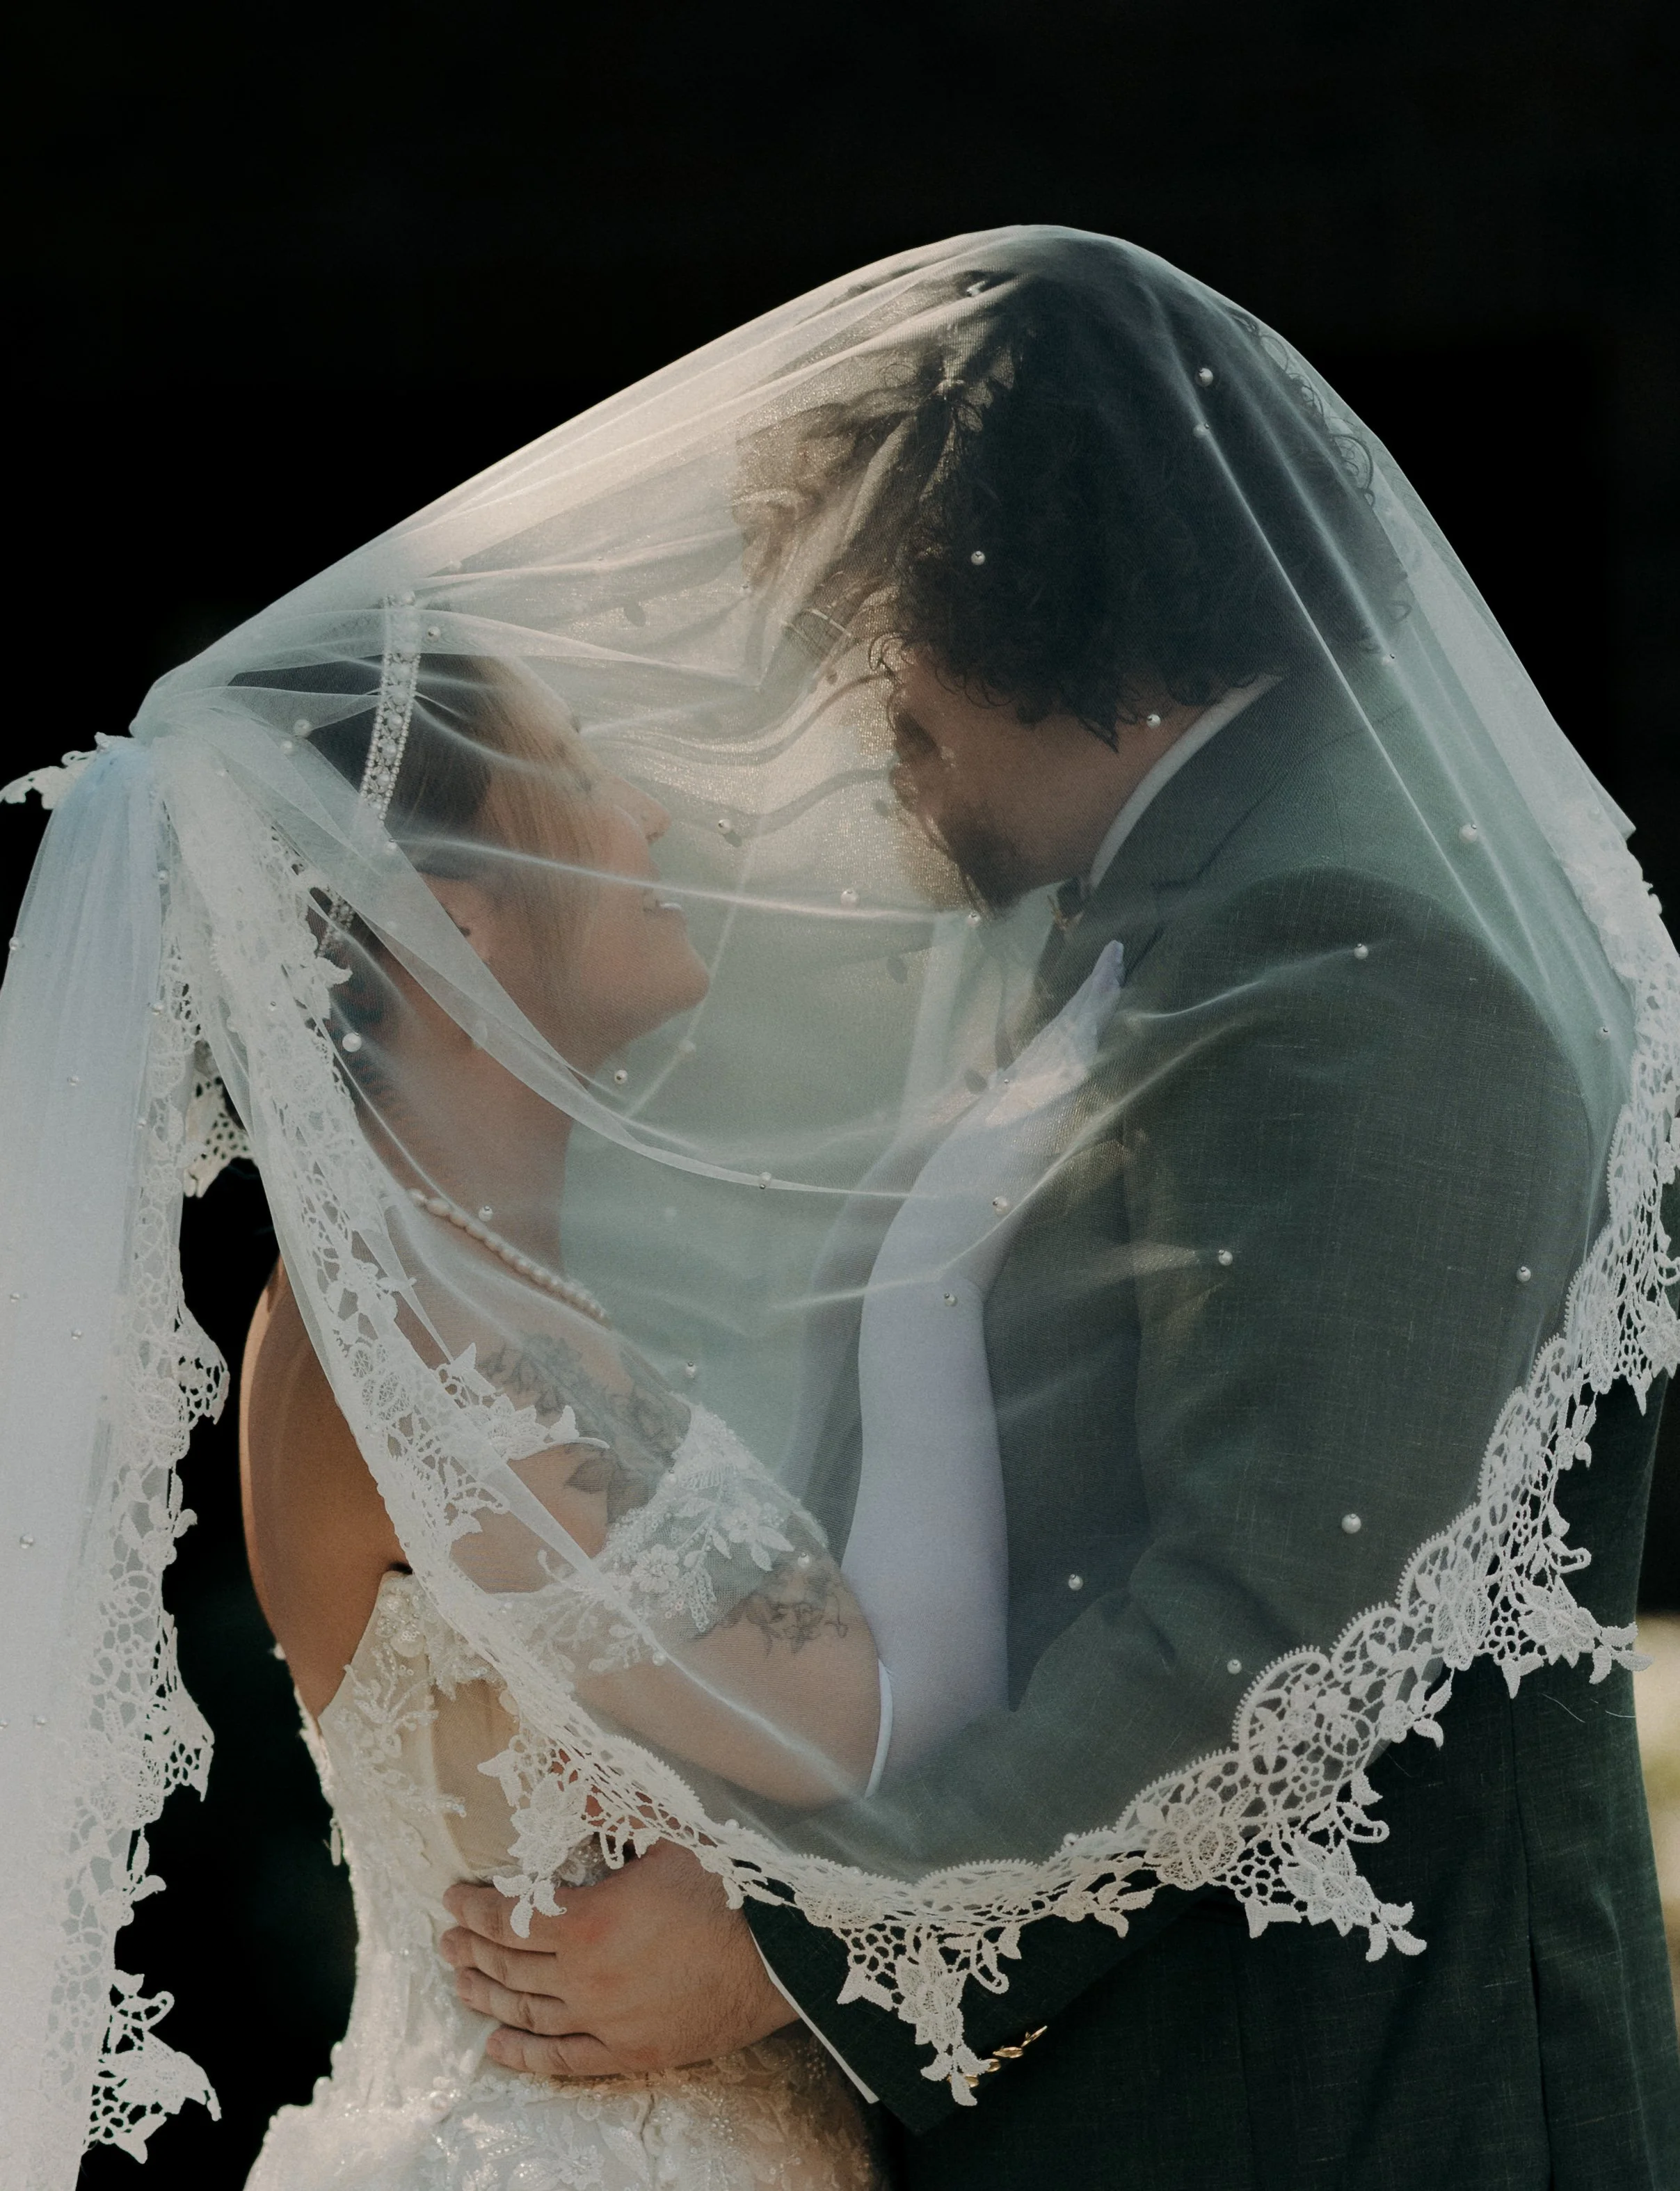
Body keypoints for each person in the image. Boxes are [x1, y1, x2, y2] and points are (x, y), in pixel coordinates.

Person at [1, 229, 1676, 2191]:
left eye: (865, 608)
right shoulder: (435, 1314)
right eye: (580, 783)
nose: (827, 706)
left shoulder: (1342, 958)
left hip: (1335, 2112)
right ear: (453, 917)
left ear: (1009, 591)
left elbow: (1263, 1626)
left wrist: (801, 1953)